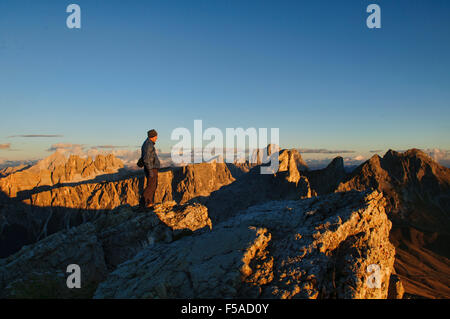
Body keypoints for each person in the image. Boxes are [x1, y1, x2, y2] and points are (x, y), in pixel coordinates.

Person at [141, 129, 160, 208]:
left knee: (153, 185)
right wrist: (150, 170)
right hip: (151, 168)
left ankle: (149, 202)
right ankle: (145, 203)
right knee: (151, 186)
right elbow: (146, 158)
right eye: (156, 136)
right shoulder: (148, 145)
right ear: (152, 136)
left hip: (151, 168)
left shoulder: (148, 144)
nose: (157, 138)